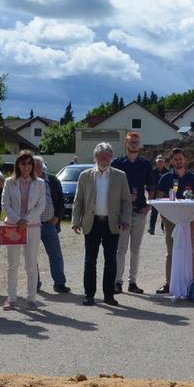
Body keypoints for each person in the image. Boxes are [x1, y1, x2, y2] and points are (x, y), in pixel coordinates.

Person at [71, 142, 132, 306]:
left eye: (107, 156)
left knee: (110, 260)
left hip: (112, 224)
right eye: (101, 156)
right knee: (90, 260)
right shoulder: (85, 176)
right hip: (91, 223)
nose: (104, 159)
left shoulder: (120, 176)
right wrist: (76, 221)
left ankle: (109, 295)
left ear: (112, 158)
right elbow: (78, 201)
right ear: (95, 157)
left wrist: (125, 220)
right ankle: (89, 295)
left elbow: (126, 201)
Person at [0, 150, 45, 309]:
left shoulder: (39, 183)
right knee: (12, 264)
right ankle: (11, 298)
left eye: (29, 163)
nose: (26, 166)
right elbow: (5, 204)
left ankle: (31, 298)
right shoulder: (9, 182)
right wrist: (17, 220)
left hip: (32, 226)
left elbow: (41, 206)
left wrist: (26, 220)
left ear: (32, 166)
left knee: (31, 264)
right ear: (18, 164)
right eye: (23, 163)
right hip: (13, 226)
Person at [111, 131, 154, 294]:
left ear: (140, 144)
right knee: (121, 249)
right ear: (125, 143)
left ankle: (133, 282)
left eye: (136, 142)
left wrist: (149, 206)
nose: (134, 144)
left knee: (135, 249)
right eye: (131, 142)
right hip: (122, 213)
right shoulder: (117, 163)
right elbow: (111, 188)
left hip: (139, 212)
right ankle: (117, 281)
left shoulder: (145, 164)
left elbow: (151, 187)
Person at [154, 148, 194, 295]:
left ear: (185, 159)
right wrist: (164, 216)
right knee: (171, 251)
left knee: (189, 250)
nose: (178, 161)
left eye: (181, 158)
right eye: (175, 159)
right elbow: (159, 197)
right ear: (172, 161)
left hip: (189, 220)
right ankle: (169, 283)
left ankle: (191, 281)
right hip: (171, 220)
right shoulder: (166, 178)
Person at [33, 156, 70, 294]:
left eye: (38, 166)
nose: (36, 168)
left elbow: (61, 202)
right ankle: (34, 283)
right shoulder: (26, 181)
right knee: (31, 256)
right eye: (33, 166)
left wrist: (57, 218)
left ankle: (59, 283)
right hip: (32, 225)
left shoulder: (53, 180)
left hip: (49, 224)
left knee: (55, 254)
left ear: (42, 167)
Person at [147, 154, 167, 235]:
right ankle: (151, 228)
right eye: (159, 161)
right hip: (155, 195)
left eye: (161, 161)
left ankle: (164, 228)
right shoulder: (152, 172)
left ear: (164, 162)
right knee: (154, 213)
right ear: (156, 162)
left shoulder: (168, 172)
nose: (160, 163)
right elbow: (148, 183)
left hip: (165, 196)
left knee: (165, 213)